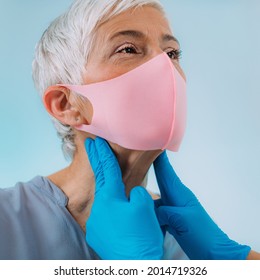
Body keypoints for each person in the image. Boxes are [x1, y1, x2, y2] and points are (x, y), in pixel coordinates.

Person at [0, 0, 258, 260]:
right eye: (128, 49)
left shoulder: (180, 240)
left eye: (172, 53)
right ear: (65, 104)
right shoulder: (8, 220)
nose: (166, 67)